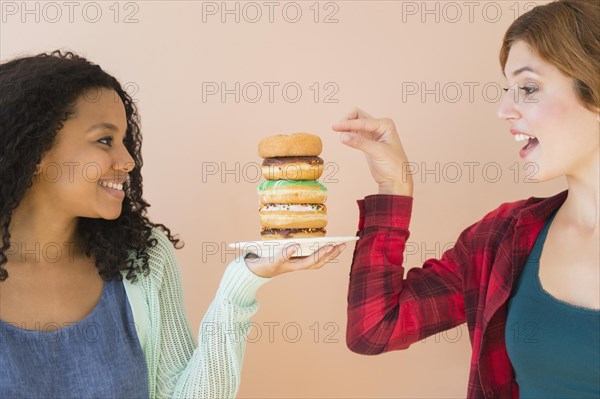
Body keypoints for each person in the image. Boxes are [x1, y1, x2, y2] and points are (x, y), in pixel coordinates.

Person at [0, 51, 346, 398]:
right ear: (36, 151)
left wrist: (242, 282)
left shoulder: (140, 260)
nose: (128, 160)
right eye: (105, 140)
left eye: (124, 141)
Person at [332, 0, 599, 398]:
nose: (503, 110)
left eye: (527, 88)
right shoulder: (503, 238)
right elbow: (374, 328)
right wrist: (393, 189)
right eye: (506, 90)